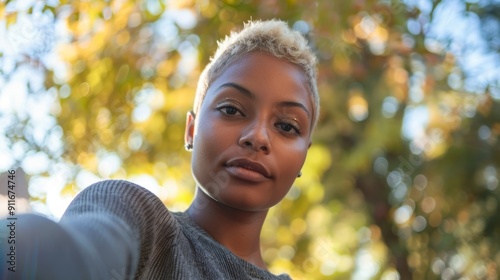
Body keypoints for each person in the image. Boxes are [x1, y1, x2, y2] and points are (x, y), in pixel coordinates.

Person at [1, 19, 320, 279]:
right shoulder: (138, 220)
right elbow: (61, 255)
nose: (258, 137)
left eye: (287, 126)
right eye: (232, 110)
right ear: (192, 130)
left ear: (303, 156)